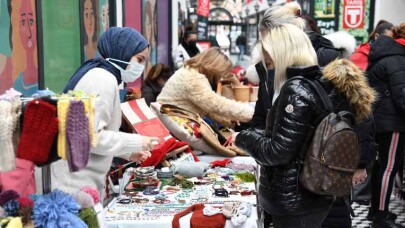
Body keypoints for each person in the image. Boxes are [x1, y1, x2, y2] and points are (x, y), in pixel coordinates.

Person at [235, 23, 375, 228]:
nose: (269, 69)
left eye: (270, 62)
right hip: (317, 193)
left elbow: (278, 151)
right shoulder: (318, 81)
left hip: (297, 199)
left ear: (281, 55)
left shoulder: (296, 89)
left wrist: (241, 137)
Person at [51, 27, 160, 194]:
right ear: (122, 52)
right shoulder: (103, 80)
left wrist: (129, 152)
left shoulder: (100, 75)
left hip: (76, 178)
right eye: (139, 59)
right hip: (73, 184)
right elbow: (91, 136)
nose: (141, 67)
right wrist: (137, 142)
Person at [367, 23, 405, 228]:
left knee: (381, 167)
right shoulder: (398, 59)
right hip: (393, 123)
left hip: (380, 120)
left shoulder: (383, 56)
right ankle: (381, 217)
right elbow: (402, 95)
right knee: (388, 168)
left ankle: (376, 212)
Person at [158, 47, 253, 127]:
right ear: (215, 68)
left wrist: (228, 121)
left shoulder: (190, 72)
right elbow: (216, 104)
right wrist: (251, 113)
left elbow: (206, 108)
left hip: (169, 123)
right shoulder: (192, 78)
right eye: (221, 73)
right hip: (170, 126)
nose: (220, 78)